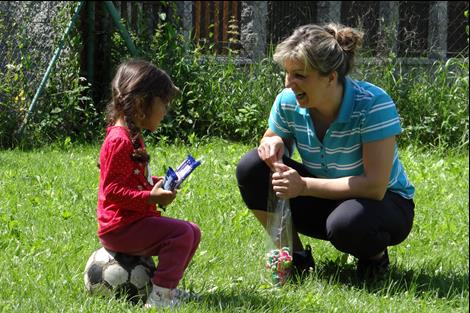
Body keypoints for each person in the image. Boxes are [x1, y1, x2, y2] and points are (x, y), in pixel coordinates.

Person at [236, 23, 415, 281]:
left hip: (383, 203)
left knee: (347, 224)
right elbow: (272, 137)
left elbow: (374, 187)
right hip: (326, 195)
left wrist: (304, 186)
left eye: (300, 75)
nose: (290, 83)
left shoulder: (373, 104)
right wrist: (274, 143)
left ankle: (374, 259)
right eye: (288, 74)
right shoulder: (289, 100)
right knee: (252, 167)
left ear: (331, 77)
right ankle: (294, 258)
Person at [96, 59, 201, 308]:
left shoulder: (132, 136)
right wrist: (151, 198)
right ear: (143, 102)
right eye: (163, 102)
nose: (165, 110)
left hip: (132, 221)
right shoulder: (119, 140)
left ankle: (167, 290)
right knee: (181, 234)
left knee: (192, 232)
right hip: (120, 227)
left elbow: (133, 179)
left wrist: (159, 183)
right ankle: (159, 299)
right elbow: (112, 191)